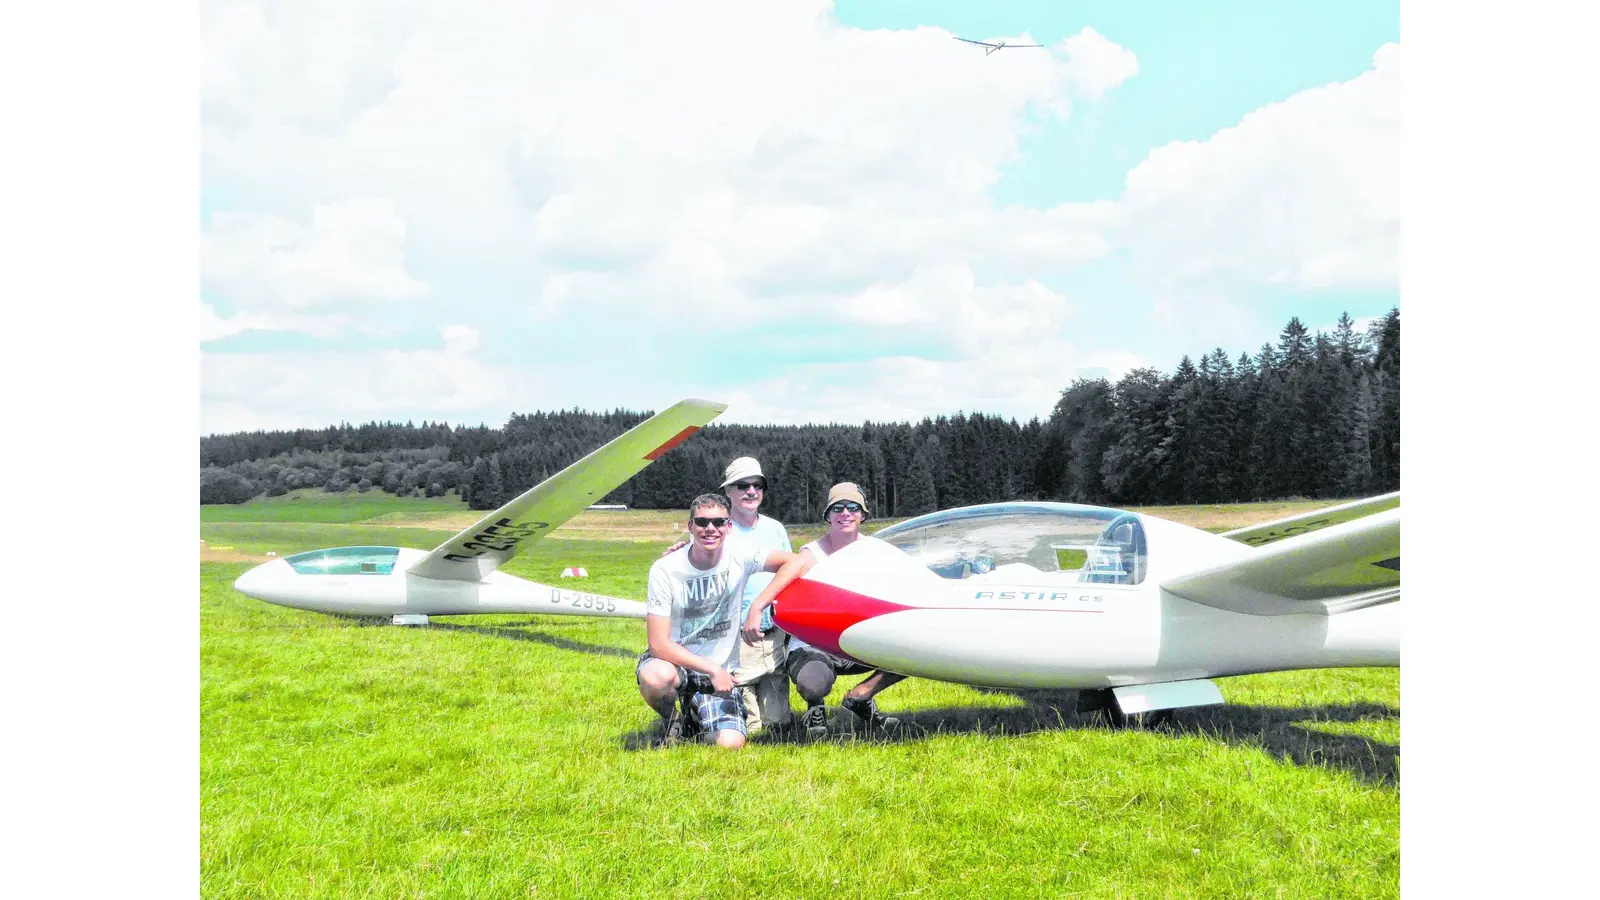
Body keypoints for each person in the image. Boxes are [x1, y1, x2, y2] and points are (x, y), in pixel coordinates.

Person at [742, 482, 906, 739]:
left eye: (853, 507)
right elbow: (786, 575)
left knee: (914, 649)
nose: (845, 513)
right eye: (837, 508)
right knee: (814, 682)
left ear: (863, 515)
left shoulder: (876, 551)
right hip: (815, 644)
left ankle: (860, 697)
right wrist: (758, 605)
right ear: (828, 516)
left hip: (862, 640)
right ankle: (815, 707)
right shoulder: (810, 553)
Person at [637, 493, 796, 748]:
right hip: (677, 663)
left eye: (719, 522)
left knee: (730, 744)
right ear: (690, 527)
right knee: (656, 677)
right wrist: (712, 669)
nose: (710, 528)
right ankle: (672, 719)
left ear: (729, 527)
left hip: (720, 672)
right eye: (702, 522)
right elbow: (658, 644)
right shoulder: (665, 569)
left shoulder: (740, 555)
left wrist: (758, 605)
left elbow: (797, 561)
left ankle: (695, 716)